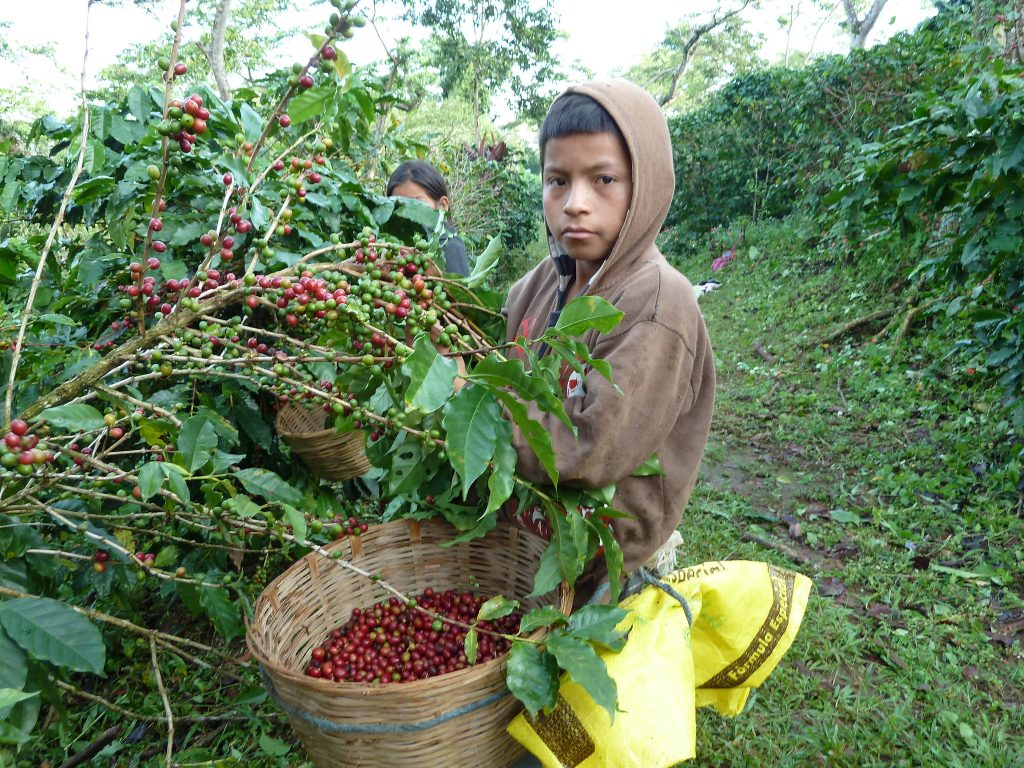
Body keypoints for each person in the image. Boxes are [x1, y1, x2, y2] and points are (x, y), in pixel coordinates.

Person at [503, 80, 716, 605]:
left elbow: (589, 451)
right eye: (557, 181)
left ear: (644, 185)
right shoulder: (536, 286)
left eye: (603, 179)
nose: (576, 204)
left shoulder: (658, 303)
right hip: (529, 548)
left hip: (604, 572)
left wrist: (481, 401)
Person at [386, 160, 470, 276]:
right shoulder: (395, 246)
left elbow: (460, 292)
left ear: (442, 206)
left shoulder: (450, 247)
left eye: (415, 204)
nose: (406, 214)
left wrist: (432, 273)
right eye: (398, 206)